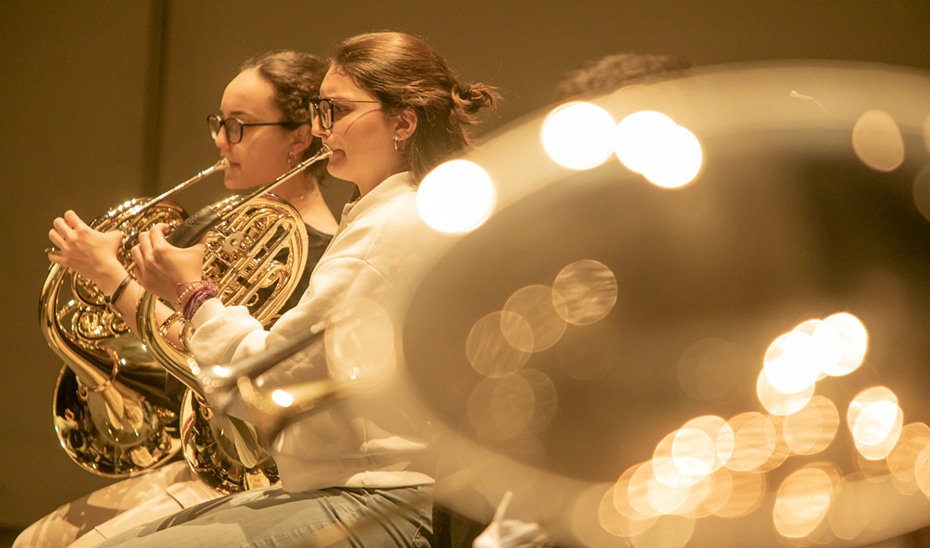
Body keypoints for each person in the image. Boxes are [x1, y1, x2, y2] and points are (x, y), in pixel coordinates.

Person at [91, 31, 499, 547]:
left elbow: (272, 385)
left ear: (402, 122)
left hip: (382, 496)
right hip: (347, 485)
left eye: (337, 111)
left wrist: (192, 292)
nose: (323, 129)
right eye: (319, 110)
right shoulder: (391, 213)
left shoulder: (390, 228)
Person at [18, 49, 336, 548]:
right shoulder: (216, 222)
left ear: (299, 135)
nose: (219, 140)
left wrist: (109, 275)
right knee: (36, 540)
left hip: (247, 468)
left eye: (239, 126)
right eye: (219, 122)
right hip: (187, 456)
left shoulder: (320, 254)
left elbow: (228, 368)